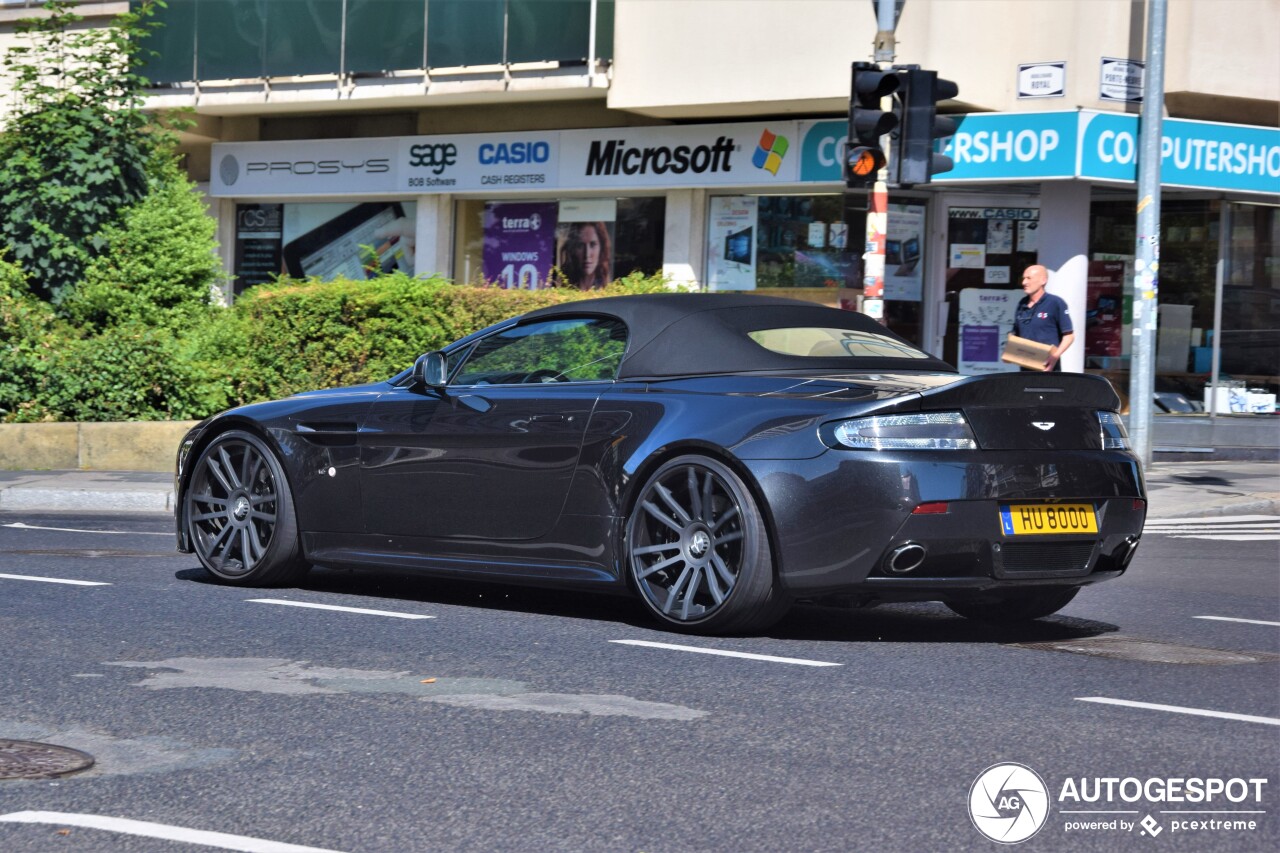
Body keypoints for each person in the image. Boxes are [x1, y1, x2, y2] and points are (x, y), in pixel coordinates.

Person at [1013, 264, 1074, 371]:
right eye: (1024, 278)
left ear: (1043, 280)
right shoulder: (1021, 304)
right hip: (1025, 370)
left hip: (1048, 369)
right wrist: (1010, 352)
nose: (1024, 282)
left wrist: (1055, 356)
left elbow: (1069, 336)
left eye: (1029, 278)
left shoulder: (1055, 303)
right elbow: (1016, 335)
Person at [558, 222, 612, 289]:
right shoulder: (563, 287)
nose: (587, 254)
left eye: (592, 245)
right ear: (573, 249)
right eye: (580, 246)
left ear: (601, 248)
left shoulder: (607, 289)